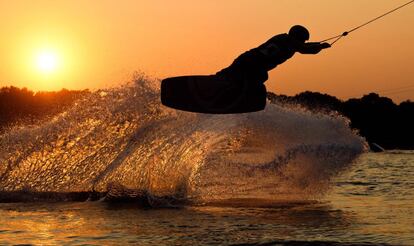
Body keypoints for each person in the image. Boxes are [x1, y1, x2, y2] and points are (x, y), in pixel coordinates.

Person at [216, 25, 331, 85]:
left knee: (233, 77)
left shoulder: (286, 39)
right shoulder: (289, 41)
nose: (304, 42)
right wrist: (320, 47)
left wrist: (318, 44)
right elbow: (306, 49)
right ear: (297, 37)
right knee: (256, 78)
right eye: (303, 40)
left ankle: (225, 89)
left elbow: (305, 46)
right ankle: (217, 87)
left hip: (248, 61)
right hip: (250, 62)